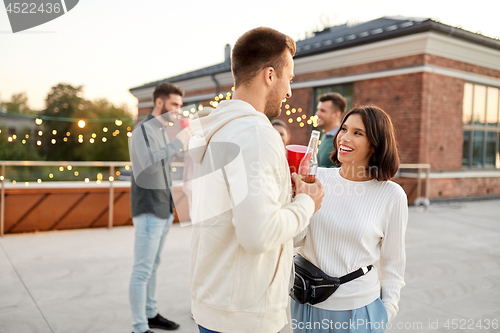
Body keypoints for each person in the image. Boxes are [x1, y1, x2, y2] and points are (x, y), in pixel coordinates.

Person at [188, 27, 324, 333]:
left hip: (216, 303)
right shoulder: (256, 134)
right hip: (245, 316)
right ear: (270, 75)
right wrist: (306, 202)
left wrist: (282, 194)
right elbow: (258, 235)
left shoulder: (217, 130)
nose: (290, 90)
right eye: (290, 78)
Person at [292, 106, 408, 333]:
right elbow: (295, 238)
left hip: (358, 311)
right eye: (344, 129)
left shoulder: (392, 195)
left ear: (375, 144)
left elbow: (394, 263)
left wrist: (386, 311)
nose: (344, 137)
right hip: (305, 303)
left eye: (358, 133)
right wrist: (297, 202)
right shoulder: (317, 179)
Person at [129, 82, 193, 333]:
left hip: (163, 208)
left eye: (180, 105)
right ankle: (138, 327)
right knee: (142, 269)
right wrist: (178, 143)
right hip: (148, 209)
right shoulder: (143, 130)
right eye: (174, 105)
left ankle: (150, 314)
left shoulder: (161, 130)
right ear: (159, 103)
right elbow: (148, 166)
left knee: (152, 266)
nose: (178, 110)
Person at [315, 92, 346, 168]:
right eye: (318, 110)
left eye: (322, 111)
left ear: (337, 115)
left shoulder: (343, 140)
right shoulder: (325, 135)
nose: (317, 114)